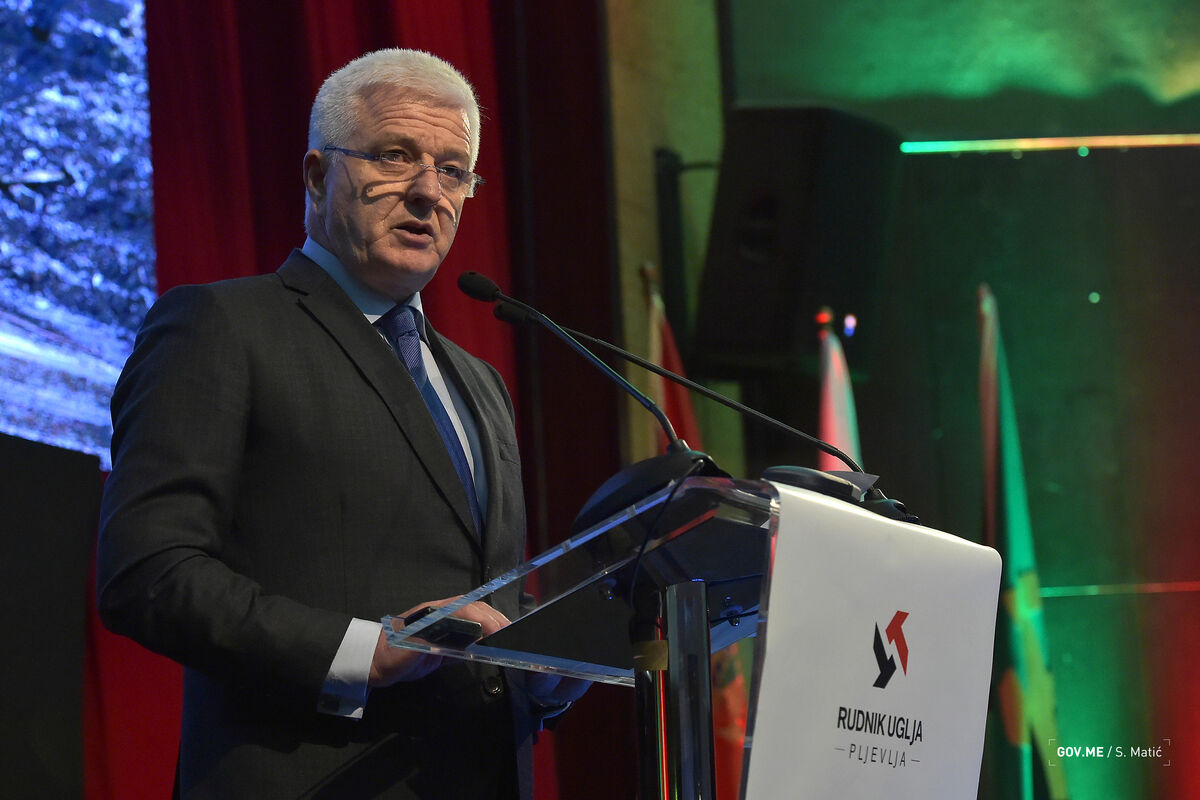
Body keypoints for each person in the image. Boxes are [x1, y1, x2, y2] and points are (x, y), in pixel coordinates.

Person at [96, 48, 583, 799]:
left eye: (453, 170)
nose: (428, 192)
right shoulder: (222, 326)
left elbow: (483, 600)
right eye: (396, 156)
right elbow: (148, 573)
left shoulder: (481, 383)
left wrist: (542, 672)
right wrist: (363, 651)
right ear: (319, 176)